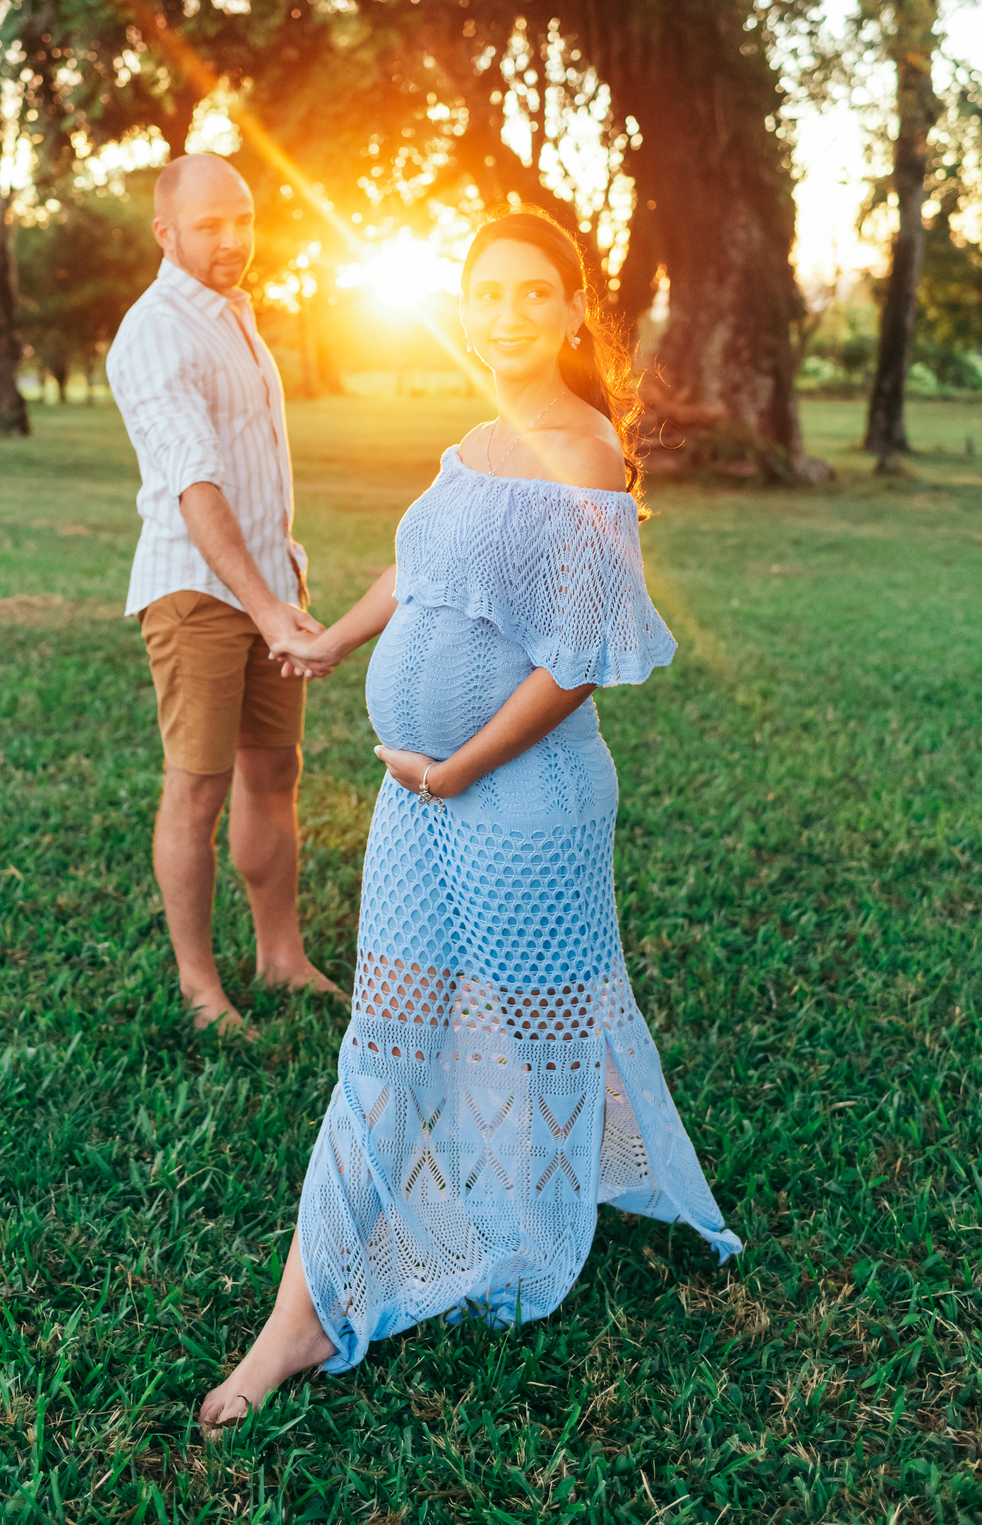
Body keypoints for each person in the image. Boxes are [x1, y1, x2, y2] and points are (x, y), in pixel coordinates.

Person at [199, 206, 742, 1427]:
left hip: (525, 806)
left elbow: (580, 662)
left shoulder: (584, 451)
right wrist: (334, 638)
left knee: (538, 1035)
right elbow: (422, 570)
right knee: (383, 1046)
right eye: (484, 293)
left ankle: (530, 1229)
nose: (505, 314)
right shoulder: (479, 440)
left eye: (531, 293)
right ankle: (298, 1321)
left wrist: (460, 767)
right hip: (419, 805)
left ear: (571, 309)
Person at [106, 153, 335, 1035]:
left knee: (273, 772)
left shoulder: (234, 313)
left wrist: (279, 587)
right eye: (211, 225)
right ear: (166, 233)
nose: (234, 239)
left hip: (266, 582)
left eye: (243, 219)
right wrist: (264, 605)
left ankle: (281, 960)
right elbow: (196, 483)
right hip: (199, 593)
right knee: (197, 788)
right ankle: (203, 989)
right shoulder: (158, 330)